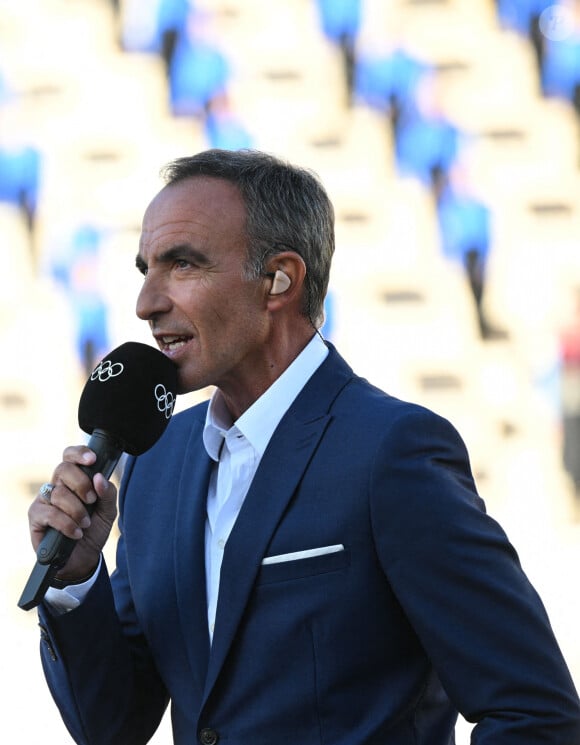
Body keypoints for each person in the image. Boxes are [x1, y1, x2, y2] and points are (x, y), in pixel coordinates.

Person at [28, 149, 580, 745]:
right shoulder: (155, 461)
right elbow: (115, 726)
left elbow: (536, 713)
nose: (146, 303)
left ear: (279, 280)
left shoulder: (392, 452)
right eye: (146, 270)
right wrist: (76, 583)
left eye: (182, 264)